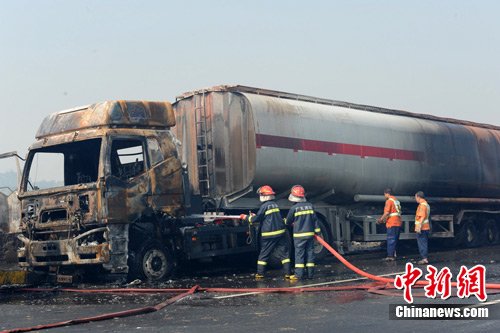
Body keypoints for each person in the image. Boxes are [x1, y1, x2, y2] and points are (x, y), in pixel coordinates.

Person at [240, 185, 291, 279]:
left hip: (269, 235)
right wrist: (256, 216)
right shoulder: (274, 204)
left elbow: (255, 219)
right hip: (280, 233)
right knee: (284, 254)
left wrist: (245, 217)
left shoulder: (264, 206)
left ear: (263, 195)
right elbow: (266, 217)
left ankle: (260, 273)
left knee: (264, 254)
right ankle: (288, 273)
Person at [285, 185, 321, 280]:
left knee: (299, 255)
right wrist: (317, 232)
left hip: (299, 236)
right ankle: (310, 274)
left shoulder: (294, 208)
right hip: (310, 234)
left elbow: (288, 222)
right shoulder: (310, 206)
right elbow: (315, 220)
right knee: (310, 253)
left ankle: (299, 275)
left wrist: (289, 222)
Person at [376, 188, 402, 261]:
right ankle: (394, 254)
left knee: (391, 239)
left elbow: (387, 212)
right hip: (398, 222)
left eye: (384, 194)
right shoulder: (396, 201)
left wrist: (380, 220)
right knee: (395, 239)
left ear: (387, 193)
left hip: (392, 223)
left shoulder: (389, 201)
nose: (384, 196)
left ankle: (390, 256)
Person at [414, 191, 430, 265]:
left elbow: (422, 216)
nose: (415, 199)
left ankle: (424, 259)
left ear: (418, 197)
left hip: (422, 228)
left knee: (422, 243)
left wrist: (418, 226)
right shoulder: (426, 204)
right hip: (426, 227)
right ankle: (424, 258)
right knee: (424, 242)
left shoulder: (422, 205)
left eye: (415, 197)